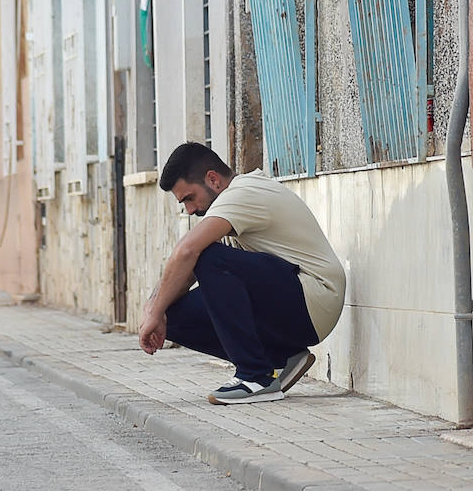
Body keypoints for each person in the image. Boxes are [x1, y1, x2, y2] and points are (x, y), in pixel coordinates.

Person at [138, 142, 346, 404]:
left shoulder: (242, 193)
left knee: (208, 257)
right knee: (171, 318)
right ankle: (279, 357)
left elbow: (187, 252)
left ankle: (255, 376)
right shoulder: (227, 209)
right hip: (295, 303)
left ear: (212, 179)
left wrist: (153, 311)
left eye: (189, 198)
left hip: (315, 297)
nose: (190, 210)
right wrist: (155, 311)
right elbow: (186, 268)